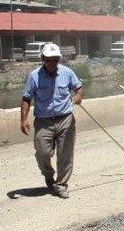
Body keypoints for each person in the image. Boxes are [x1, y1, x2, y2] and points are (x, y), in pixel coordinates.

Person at [20, 43, 83, 199]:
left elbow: (78, 88)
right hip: (43, 121)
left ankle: (61, 185)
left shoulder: (67, 72)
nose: (52, 63)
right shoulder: (35, 76)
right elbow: (26, 98)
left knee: (65, 154)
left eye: (55, 60)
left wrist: (78, 96)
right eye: (48, 60)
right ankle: (49, 176)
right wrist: (23, 119)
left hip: (65, 119)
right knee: (42, 152)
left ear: (58, 59)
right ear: (43, 59)